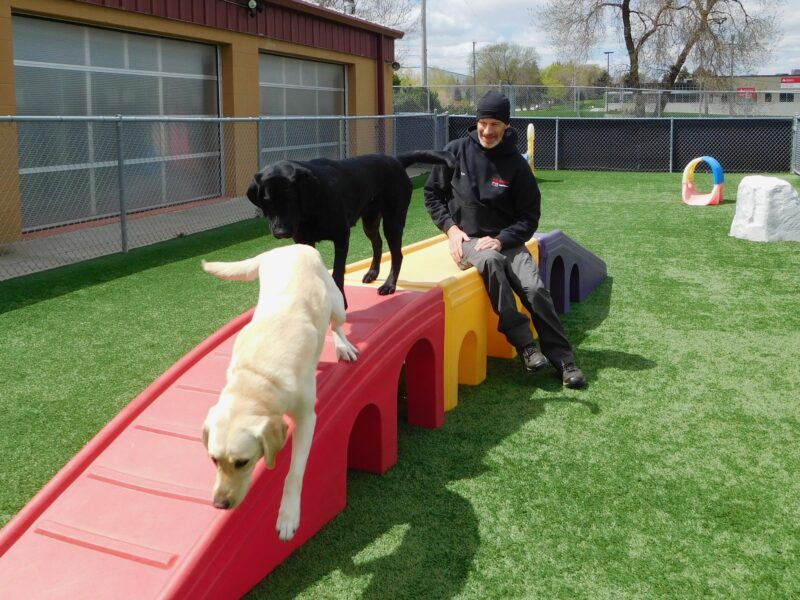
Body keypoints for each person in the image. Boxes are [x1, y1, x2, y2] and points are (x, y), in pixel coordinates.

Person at [424, 90, 586, 389]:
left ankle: (563, 360)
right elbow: (432, 194)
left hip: (507, 240)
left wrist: (501, 239)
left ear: (506, 126)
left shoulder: (516, 165)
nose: (487, 130)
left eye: (495, 124)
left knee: (536, 289)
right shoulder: (456, 151)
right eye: (483, 123)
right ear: (476, 122)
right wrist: (451, 229)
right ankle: (525, 345)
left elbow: (529, 216)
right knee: (490, 261)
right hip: (468, 239)